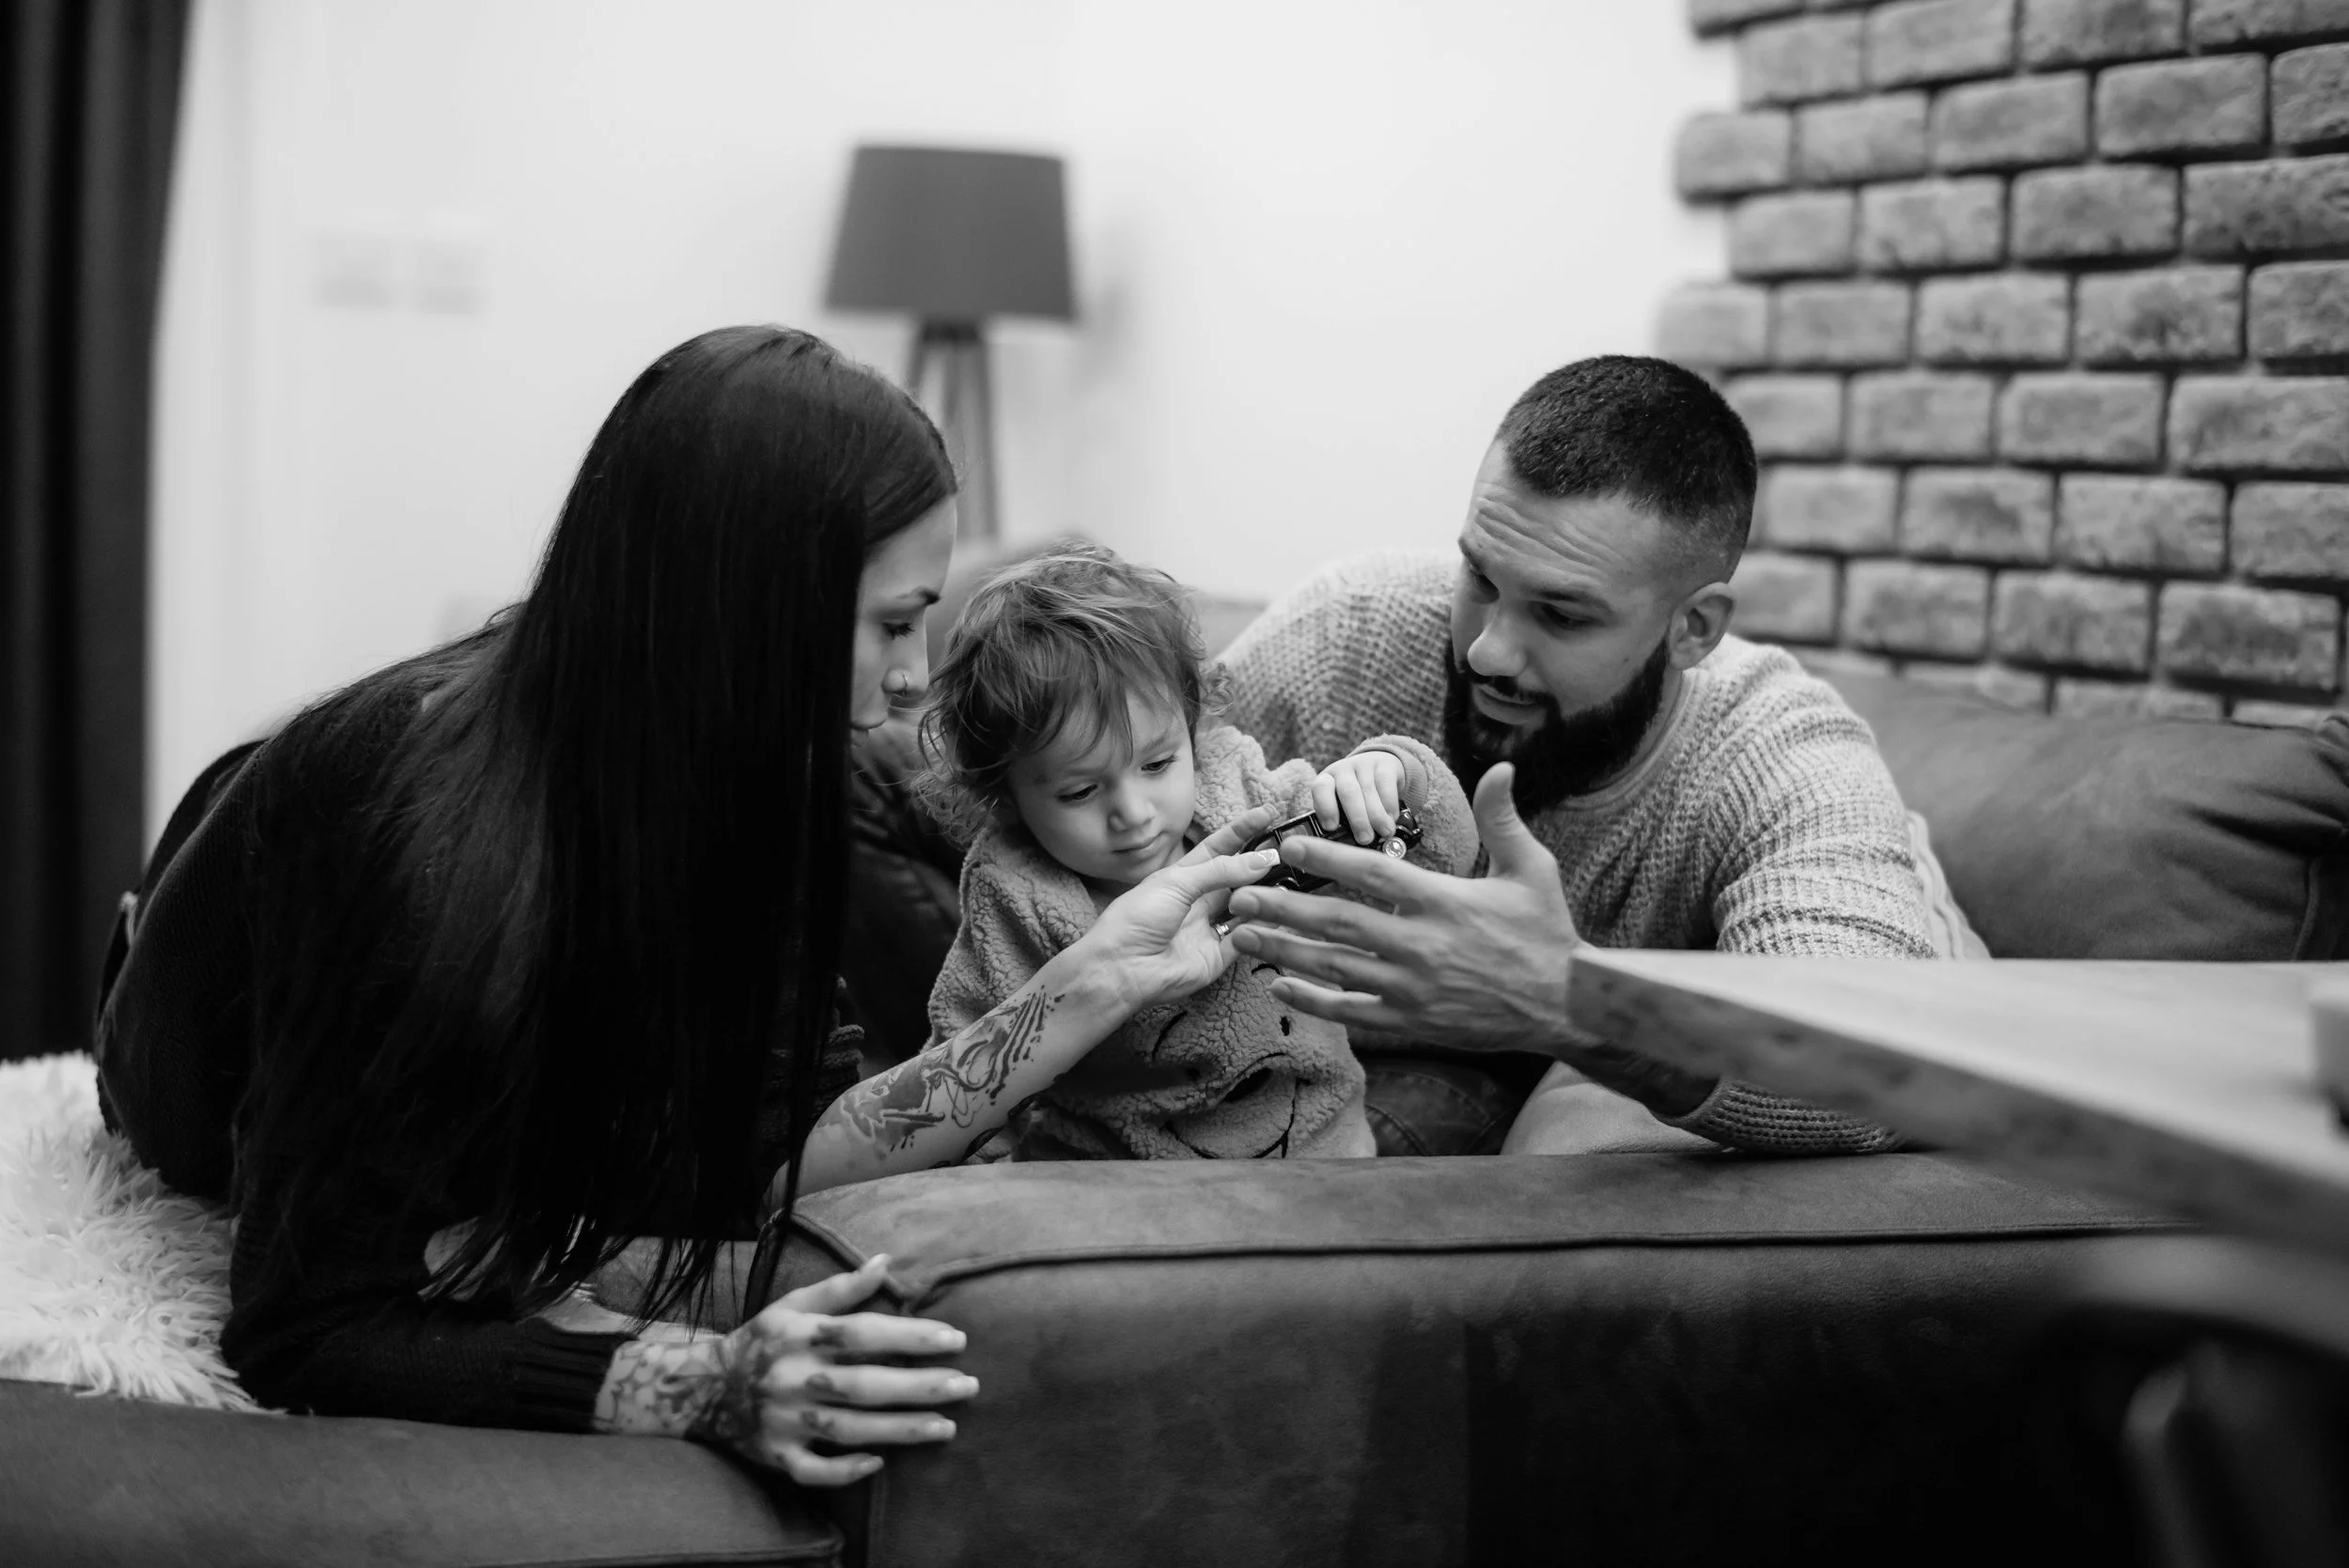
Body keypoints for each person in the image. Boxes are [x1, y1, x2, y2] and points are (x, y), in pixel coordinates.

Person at [92, 325, 1283, 1486]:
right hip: (193, 1038)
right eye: (893, 621)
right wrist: (702, 1383)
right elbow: (309, 1324)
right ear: (747, 606)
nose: (917, 674)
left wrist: (1080, 990)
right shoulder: (398, 813)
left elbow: (785, 1161)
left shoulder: (754, 779)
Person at [1217, 355, 1983, 1157]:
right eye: (1479, 576)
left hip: (1728, 1065)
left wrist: (1567, 1001)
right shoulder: (1349, 637)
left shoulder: (1779, 753)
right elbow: (1130, 798)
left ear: (1693, 629)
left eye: (1561, 615)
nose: (1486, 651)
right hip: (1440, 1075)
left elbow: (1875, 1066)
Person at [915, 543, 1476, 1161]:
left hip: (1326, 1169)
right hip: (1119, 1199)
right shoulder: (1014, 892)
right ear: (1008, 797)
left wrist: (1398, 775)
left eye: (1158, 762)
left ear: (1191, 730)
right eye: (1079, 790)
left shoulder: (1248, 798)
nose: (1133, 811)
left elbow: (1440, 867)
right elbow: (964, 1068)